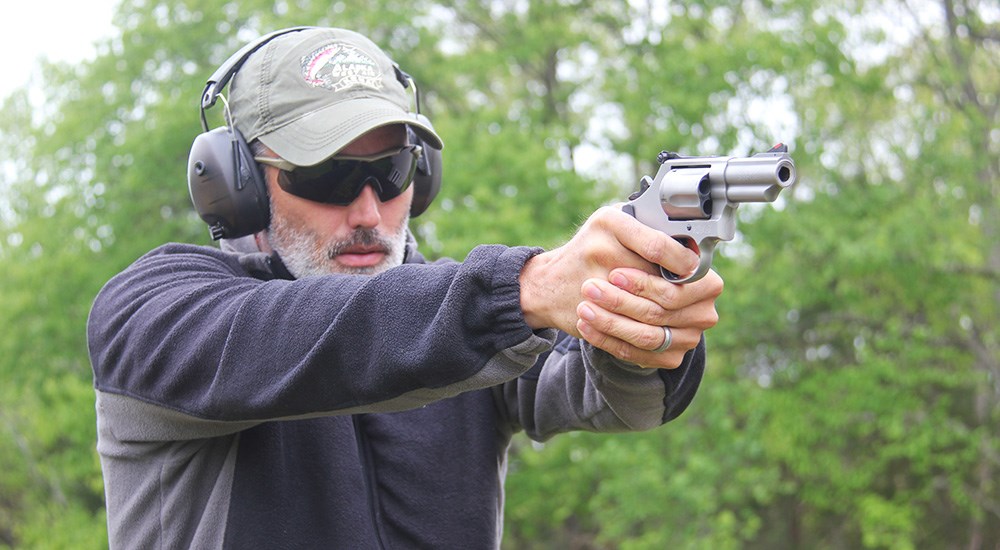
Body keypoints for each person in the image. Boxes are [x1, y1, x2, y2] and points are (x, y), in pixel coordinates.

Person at [87, 27, 723, 548]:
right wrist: (525, 290)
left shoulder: (465, 314)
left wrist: (637, 317)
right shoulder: (153, 314)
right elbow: (317, 337)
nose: (368, 212)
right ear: (238, 184)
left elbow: (616, 401)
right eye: (329, 178)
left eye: (391, 173)